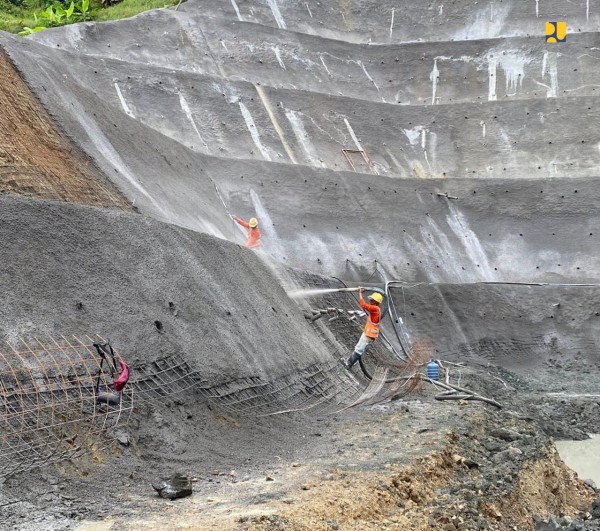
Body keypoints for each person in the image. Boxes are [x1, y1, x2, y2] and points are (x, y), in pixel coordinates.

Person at [345, 288, 384, 369]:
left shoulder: (375, 309)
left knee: (359, 349)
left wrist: (360, 293)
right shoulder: (376, 308)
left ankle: (349, 364)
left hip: (369, 334)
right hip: (368, 333)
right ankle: (350, 362)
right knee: (359, 348)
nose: (370, 301)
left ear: (376, 302)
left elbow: (363, 305)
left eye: (372, 300)